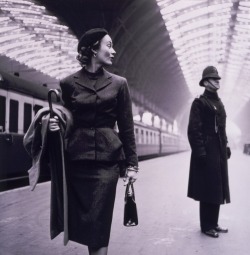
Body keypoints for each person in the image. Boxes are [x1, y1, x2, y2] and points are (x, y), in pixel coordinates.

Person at [49, 28, 139, 255]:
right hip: (76, 162)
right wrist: (56, 127)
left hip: (107, 164)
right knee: (85, 226)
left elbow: (127, 127)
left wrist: (132, 164)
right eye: (108, 45)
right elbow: (68, 120)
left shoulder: (119, 84)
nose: (113, 50)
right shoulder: (68, 83)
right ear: (92, 49)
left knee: (99, 227)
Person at [187, 66, 231, 238]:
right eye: (213, 79)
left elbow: (222, 128)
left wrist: (225, 145)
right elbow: (193, 130)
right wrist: (200, 152)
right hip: (206, 151)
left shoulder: (219, 103)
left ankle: (214, 223)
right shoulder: (199, 103)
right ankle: (206, 226)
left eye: (218, 78)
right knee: (207, 188)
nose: (217, 81)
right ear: (205, 82)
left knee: (217, 187)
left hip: (218, 151)